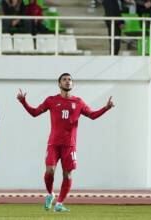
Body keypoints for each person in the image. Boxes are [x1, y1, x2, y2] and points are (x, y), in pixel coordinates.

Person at [17, 73, 114, 212]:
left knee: (67, 175)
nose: (67, 82)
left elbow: (92, 115)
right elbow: (34, 112)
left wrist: (106, 107)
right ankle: (50, 194)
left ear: (72, 84)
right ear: (59, 84)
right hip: (53, 144)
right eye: (64, 80)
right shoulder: (51, 100)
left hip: (70, 145)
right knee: (50, 171)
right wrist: (23, 102)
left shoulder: (79, 102)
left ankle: (59, 204)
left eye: (69, 80)